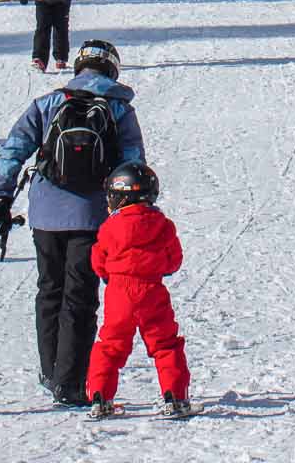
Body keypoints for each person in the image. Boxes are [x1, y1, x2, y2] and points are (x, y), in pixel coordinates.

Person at [0, 38, 144, 408]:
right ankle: (71, 383)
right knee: (80, 296)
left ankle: (51, 370)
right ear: (112, 70)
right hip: (92, 215)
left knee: (49, 290)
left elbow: (13, 149)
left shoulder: (48, 103)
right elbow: (133, 162)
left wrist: (1, 197)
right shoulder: (119, 110)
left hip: (46, 212)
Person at [85, 162, 194, 420]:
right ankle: (175, 397)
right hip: (151, 290)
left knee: (110, 345)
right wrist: (159, 267)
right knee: (165, 344)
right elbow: (174, 260)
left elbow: (98, 259)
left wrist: (108, 275)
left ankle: (100, 398)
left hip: (119, 293)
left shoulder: (109, 227)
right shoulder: (162, 224)